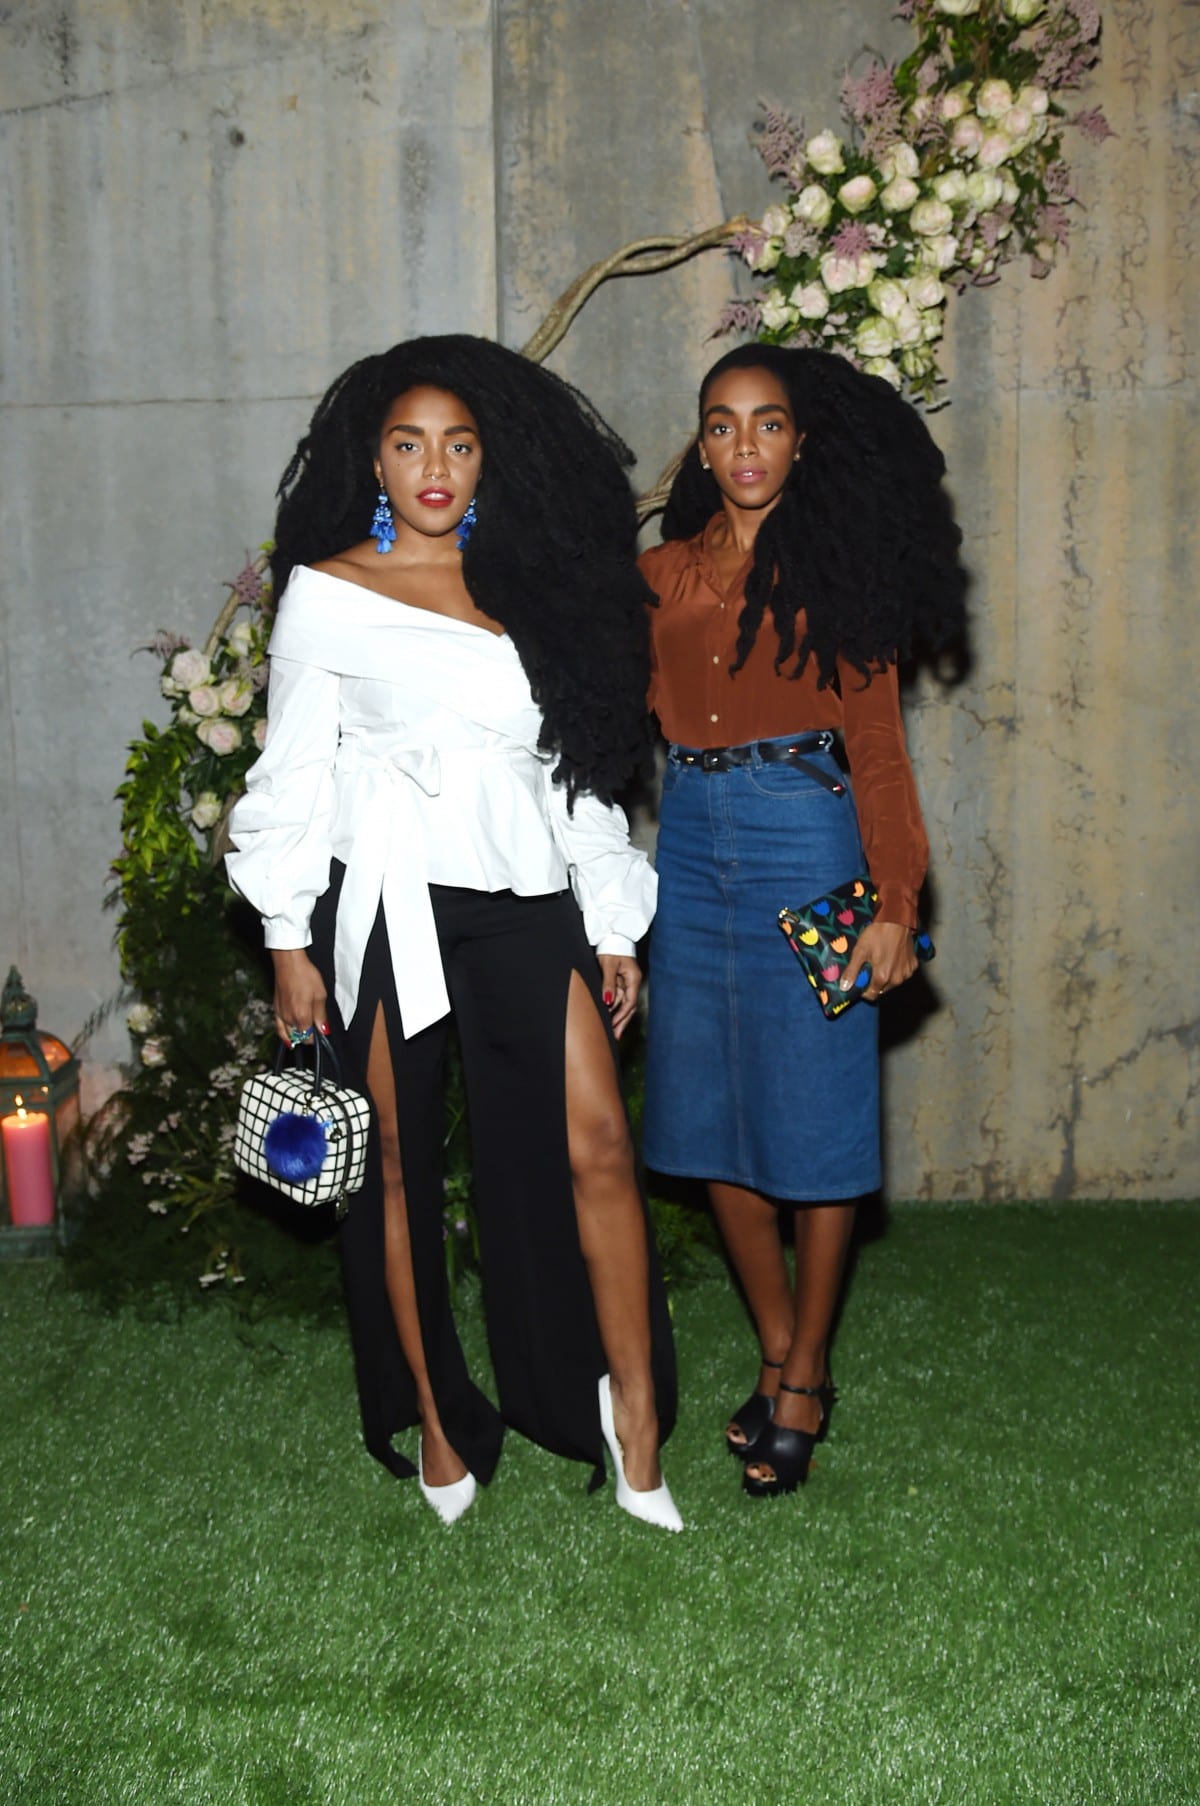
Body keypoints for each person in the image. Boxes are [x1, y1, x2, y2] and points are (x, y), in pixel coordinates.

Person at [226, 335, 681, 1530]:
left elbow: (577, 769)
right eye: (410, 443)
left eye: (460, 445)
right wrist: (287, 937)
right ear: (374, 460)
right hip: (384, 900)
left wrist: (613, 922)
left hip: (525, 894)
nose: (435, 466)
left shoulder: (534, 588)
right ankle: (438, 1417)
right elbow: (292, 774)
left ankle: (632, 1412)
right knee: (390, 1170)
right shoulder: (325, 592)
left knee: (597, 1145)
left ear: (490, 462)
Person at [638, 344, 965, 1499]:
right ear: (701, 444)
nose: (745, 445)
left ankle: (809, 1371)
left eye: (767, 423)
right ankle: (781, 1352)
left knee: (818, 1122)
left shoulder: (839, 573)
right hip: (690, 843)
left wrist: (895, 903)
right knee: (709, 1118)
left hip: (807, 836)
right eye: (722, 424)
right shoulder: (658, 575)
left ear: (800, 442)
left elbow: (878, 752)